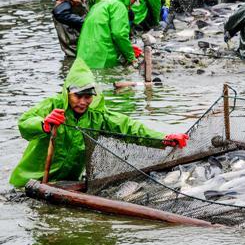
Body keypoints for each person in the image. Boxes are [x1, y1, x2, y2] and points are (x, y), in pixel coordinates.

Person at [9, 58, 189, 188]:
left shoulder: (97, 117)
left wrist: (163, 138)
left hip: (66, 183)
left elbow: (128, 128)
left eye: (88, 97)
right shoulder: (53, 106)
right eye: (78, 96)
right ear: (67, 93)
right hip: (30, 181)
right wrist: (44, 124)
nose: (83, 102)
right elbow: (24, 124)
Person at [76, 0, 144, 69]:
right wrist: (131, 57)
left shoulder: (102, 3)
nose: (132, 5)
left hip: (84, 53)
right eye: (134, 1)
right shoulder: (119, 6)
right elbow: (119, 34)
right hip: (100, 56)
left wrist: (127, 48)